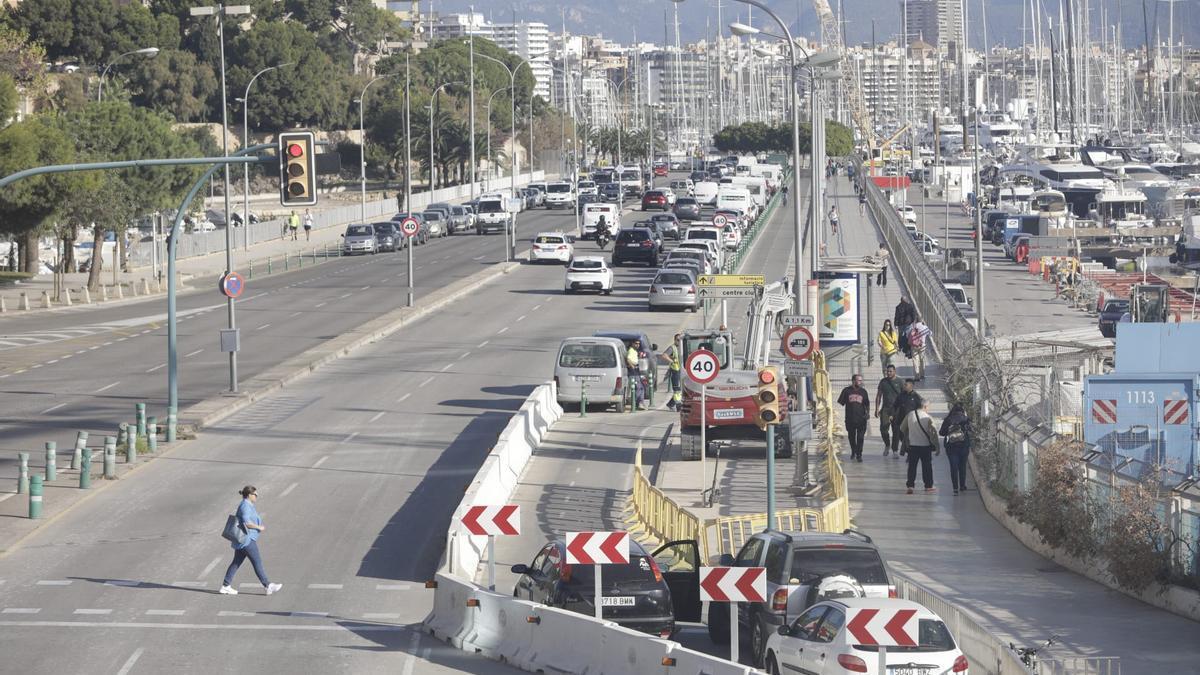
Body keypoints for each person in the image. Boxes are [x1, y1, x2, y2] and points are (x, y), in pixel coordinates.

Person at [220, 486, 283, 596]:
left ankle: (225, 586)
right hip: (246, 540)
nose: (256, 496)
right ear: (249, 495)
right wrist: (259, 527)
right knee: (257, 562)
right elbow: (246, 523)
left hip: (243, 540)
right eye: (255, 494)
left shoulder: (248, 505)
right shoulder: (245, 506)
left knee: (236, 562)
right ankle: (268, 585)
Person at [900, 401, 940, 494]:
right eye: (928, 407)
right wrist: (937, 447)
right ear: (925, 406)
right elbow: (933, 433)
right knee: (927, 467)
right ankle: (928, 486)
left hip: (912, 446)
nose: (929, 409)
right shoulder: (928, 417)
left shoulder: (910, 414)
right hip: (925, 446)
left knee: (912, 467)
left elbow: (902, 428)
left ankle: (910, 486)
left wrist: (911, 431)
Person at [940, 403, 972, 495]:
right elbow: (971, 430)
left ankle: (955, 489)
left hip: (951, 447)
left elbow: (941, 433)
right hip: (964, 446)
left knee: (953, 467)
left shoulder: (948, 420)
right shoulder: (965, 419)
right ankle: (962, 486)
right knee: (962, 466)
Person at [837, 374, 870, 462]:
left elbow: (867, 404)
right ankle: (853, 451)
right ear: (853, 381)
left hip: (861, 419)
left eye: (861, 380)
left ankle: (859, 454)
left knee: (860, 437)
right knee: (851, 437)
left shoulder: (863, 392)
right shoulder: (846, 391)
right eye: (858, 380)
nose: (860, 382)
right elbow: (841, 402)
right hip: (850, 418)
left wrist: (868, 413)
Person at [890, 379, 924, 459]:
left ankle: (910, 454)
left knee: (909, 438)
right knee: (901, 436)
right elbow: (895, 405)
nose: (904, 386)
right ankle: (905, 451)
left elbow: (920, 408)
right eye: (904, 384)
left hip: (912, 421)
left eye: (906, 385)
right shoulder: (901, 395)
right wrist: (892, 414)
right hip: (900, 419)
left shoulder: (916, 397)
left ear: (911, 386)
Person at [875, 365, 904, 456]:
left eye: (891, 371)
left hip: (897, 410)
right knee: (883, 429)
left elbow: (904, 396)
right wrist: (877, 408)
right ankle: (887, 444)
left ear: (895, 371)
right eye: (887, 371)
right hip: (885, 409)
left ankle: (895, 450)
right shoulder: (883, 382)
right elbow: (879, 395)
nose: (889, 373)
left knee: (896, 430)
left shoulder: (900, 382)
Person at [658, 334, 683, 411]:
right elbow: (664, 355)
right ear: (675, 340)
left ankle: (671, 404)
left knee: (680, 389)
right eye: (678, 340)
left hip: (682, 370)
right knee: (677, 389)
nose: (679, 341)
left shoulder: (682, 347)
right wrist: (672, 361)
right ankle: (678, 405)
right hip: (675, 370)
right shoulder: (672, 348)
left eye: (680, 340)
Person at [907, 317, 932, 382]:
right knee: (922, 360)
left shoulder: (912, 327)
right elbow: (930, 334)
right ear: (922, 321)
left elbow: (908, 335)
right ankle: (922, 375)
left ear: (916, 320)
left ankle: (916, 377)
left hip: (914, 346)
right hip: (922, 346)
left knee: (915, 361)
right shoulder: (924, 327)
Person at [626, 339, 645, 409]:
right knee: (638, 387)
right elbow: (628, 359)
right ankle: (635, 402)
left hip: (636, 371)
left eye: (639, 344)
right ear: (632, 344)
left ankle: (640, 403)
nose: (638, 345)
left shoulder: (634, 351)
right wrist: (632, 366)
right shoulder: (631, 350)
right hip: (633, 372)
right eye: (636, 343)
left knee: (642, 387)